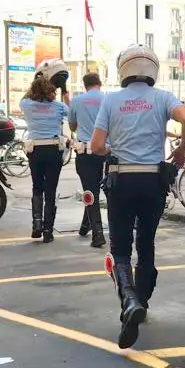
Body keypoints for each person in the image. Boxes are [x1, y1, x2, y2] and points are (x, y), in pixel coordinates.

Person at [90, 44, 185, 349]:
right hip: (153, 179)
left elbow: (97, 146)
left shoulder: (111, 101)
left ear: (123, 69)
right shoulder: (162, 97)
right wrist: (180, 150)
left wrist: (112, 149)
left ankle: (129, 299)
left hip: (121, 179)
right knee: (146, 243)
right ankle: (143, 302)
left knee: (120, 248)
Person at [20, 58, 71, 243]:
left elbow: (27, 95)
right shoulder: (58, 107)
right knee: (51, 189)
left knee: (37, 187)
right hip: (53, 149)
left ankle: (36, 224)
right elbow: (71, 113)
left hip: (35, 150)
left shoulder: (26, 105)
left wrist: (39, 80)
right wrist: (64, 91)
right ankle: (48, 231)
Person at [69, 72, 107, 248]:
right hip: (107, 150)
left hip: (86, 150)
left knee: (90, 192)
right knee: (102, 191)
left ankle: (98, 234)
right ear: (99, 83)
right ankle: (86, 226)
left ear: (85, 85)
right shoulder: (108, 99)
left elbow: (72, 125)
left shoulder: (77, 100)